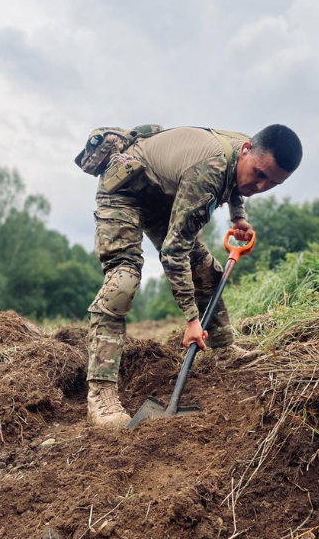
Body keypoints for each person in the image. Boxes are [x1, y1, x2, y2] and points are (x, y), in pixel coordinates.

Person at [85, 124, 302, 429]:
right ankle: (101, 394)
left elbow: (237, 182)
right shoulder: (208, 172)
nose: (260, 186)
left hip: (163, 196)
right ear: (247, 151)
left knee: (206, 270)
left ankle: (225, 351)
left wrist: (238, 215)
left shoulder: (246, 153)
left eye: (272, 183)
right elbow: (173, 254)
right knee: (123, 282)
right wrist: (191, 320)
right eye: (259, 174)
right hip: (123, 192)